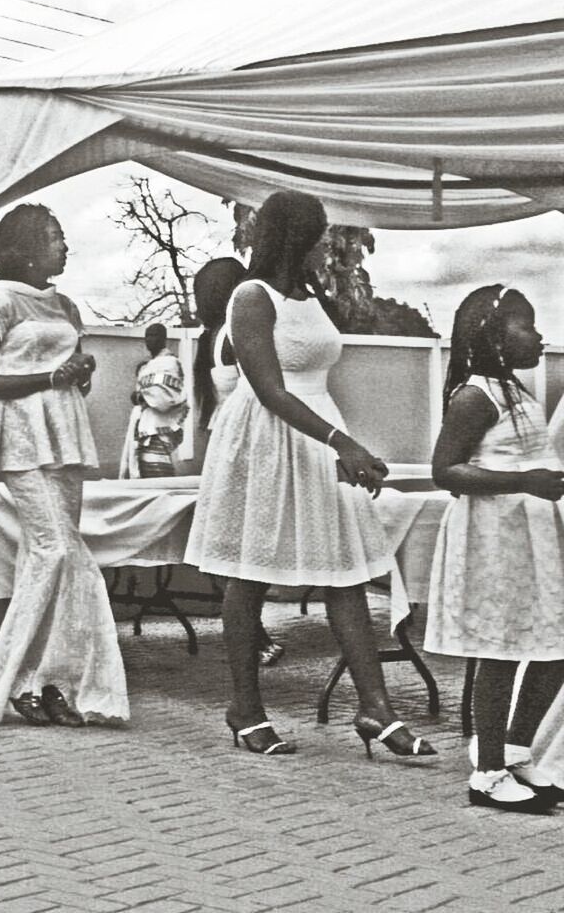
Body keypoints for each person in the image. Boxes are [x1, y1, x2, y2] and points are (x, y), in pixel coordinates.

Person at [185, 191, 433, 758]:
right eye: (320, 232)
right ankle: (245, 708)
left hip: (319, 432)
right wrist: (340, 440)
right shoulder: (250, 297)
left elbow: (312, 374)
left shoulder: (309, 295)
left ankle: (377, 709)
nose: (327, 242)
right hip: (267, 439)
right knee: (247, 575)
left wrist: (338, 440)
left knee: (343, 570)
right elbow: (270, 389)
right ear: (296, 237)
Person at [0, 204, 128, 727]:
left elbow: (72, 376)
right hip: (19, 435)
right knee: (54, 551)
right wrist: (50, 379)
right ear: (27, 247)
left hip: (64, 432)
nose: (64, 247)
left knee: (58, 560)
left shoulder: (66, 307)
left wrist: (80, 374)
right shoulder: (0, 302)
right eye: (55, 237)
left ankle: (48, 679)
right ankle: (8, 679)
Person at [426, 286, 564, 813]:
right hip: (494, 538)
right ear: (493, 335)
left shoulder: (517, 394)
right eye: (526, 325)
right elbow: (446, 470)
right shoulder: (475, 396)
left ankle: (513, 750)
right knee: (500, 653)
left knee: (552, 647)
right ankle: (486, 773)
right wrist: (524, 480)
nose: (539, 335)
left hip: (531, 539)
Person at [191, 256, 286, 667]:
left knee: (240, 556)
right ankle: (254, 636)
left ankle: (254, 634)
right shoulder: (235, 332)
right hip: (251, 445)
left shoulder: (210, 337)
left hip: (229, 443)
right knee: (250, 555)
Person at [118, 323, 188, 478]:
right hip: (144, 423)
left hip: (158, 425)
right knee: (143, 468)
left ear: (164, 338)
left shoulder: (169, 363)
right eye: (147, 336)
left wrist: (140, 396)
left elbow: (165, 398)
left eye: (154, 336)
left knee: (157, 466)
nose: (150, 340)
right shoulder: (148, 365)